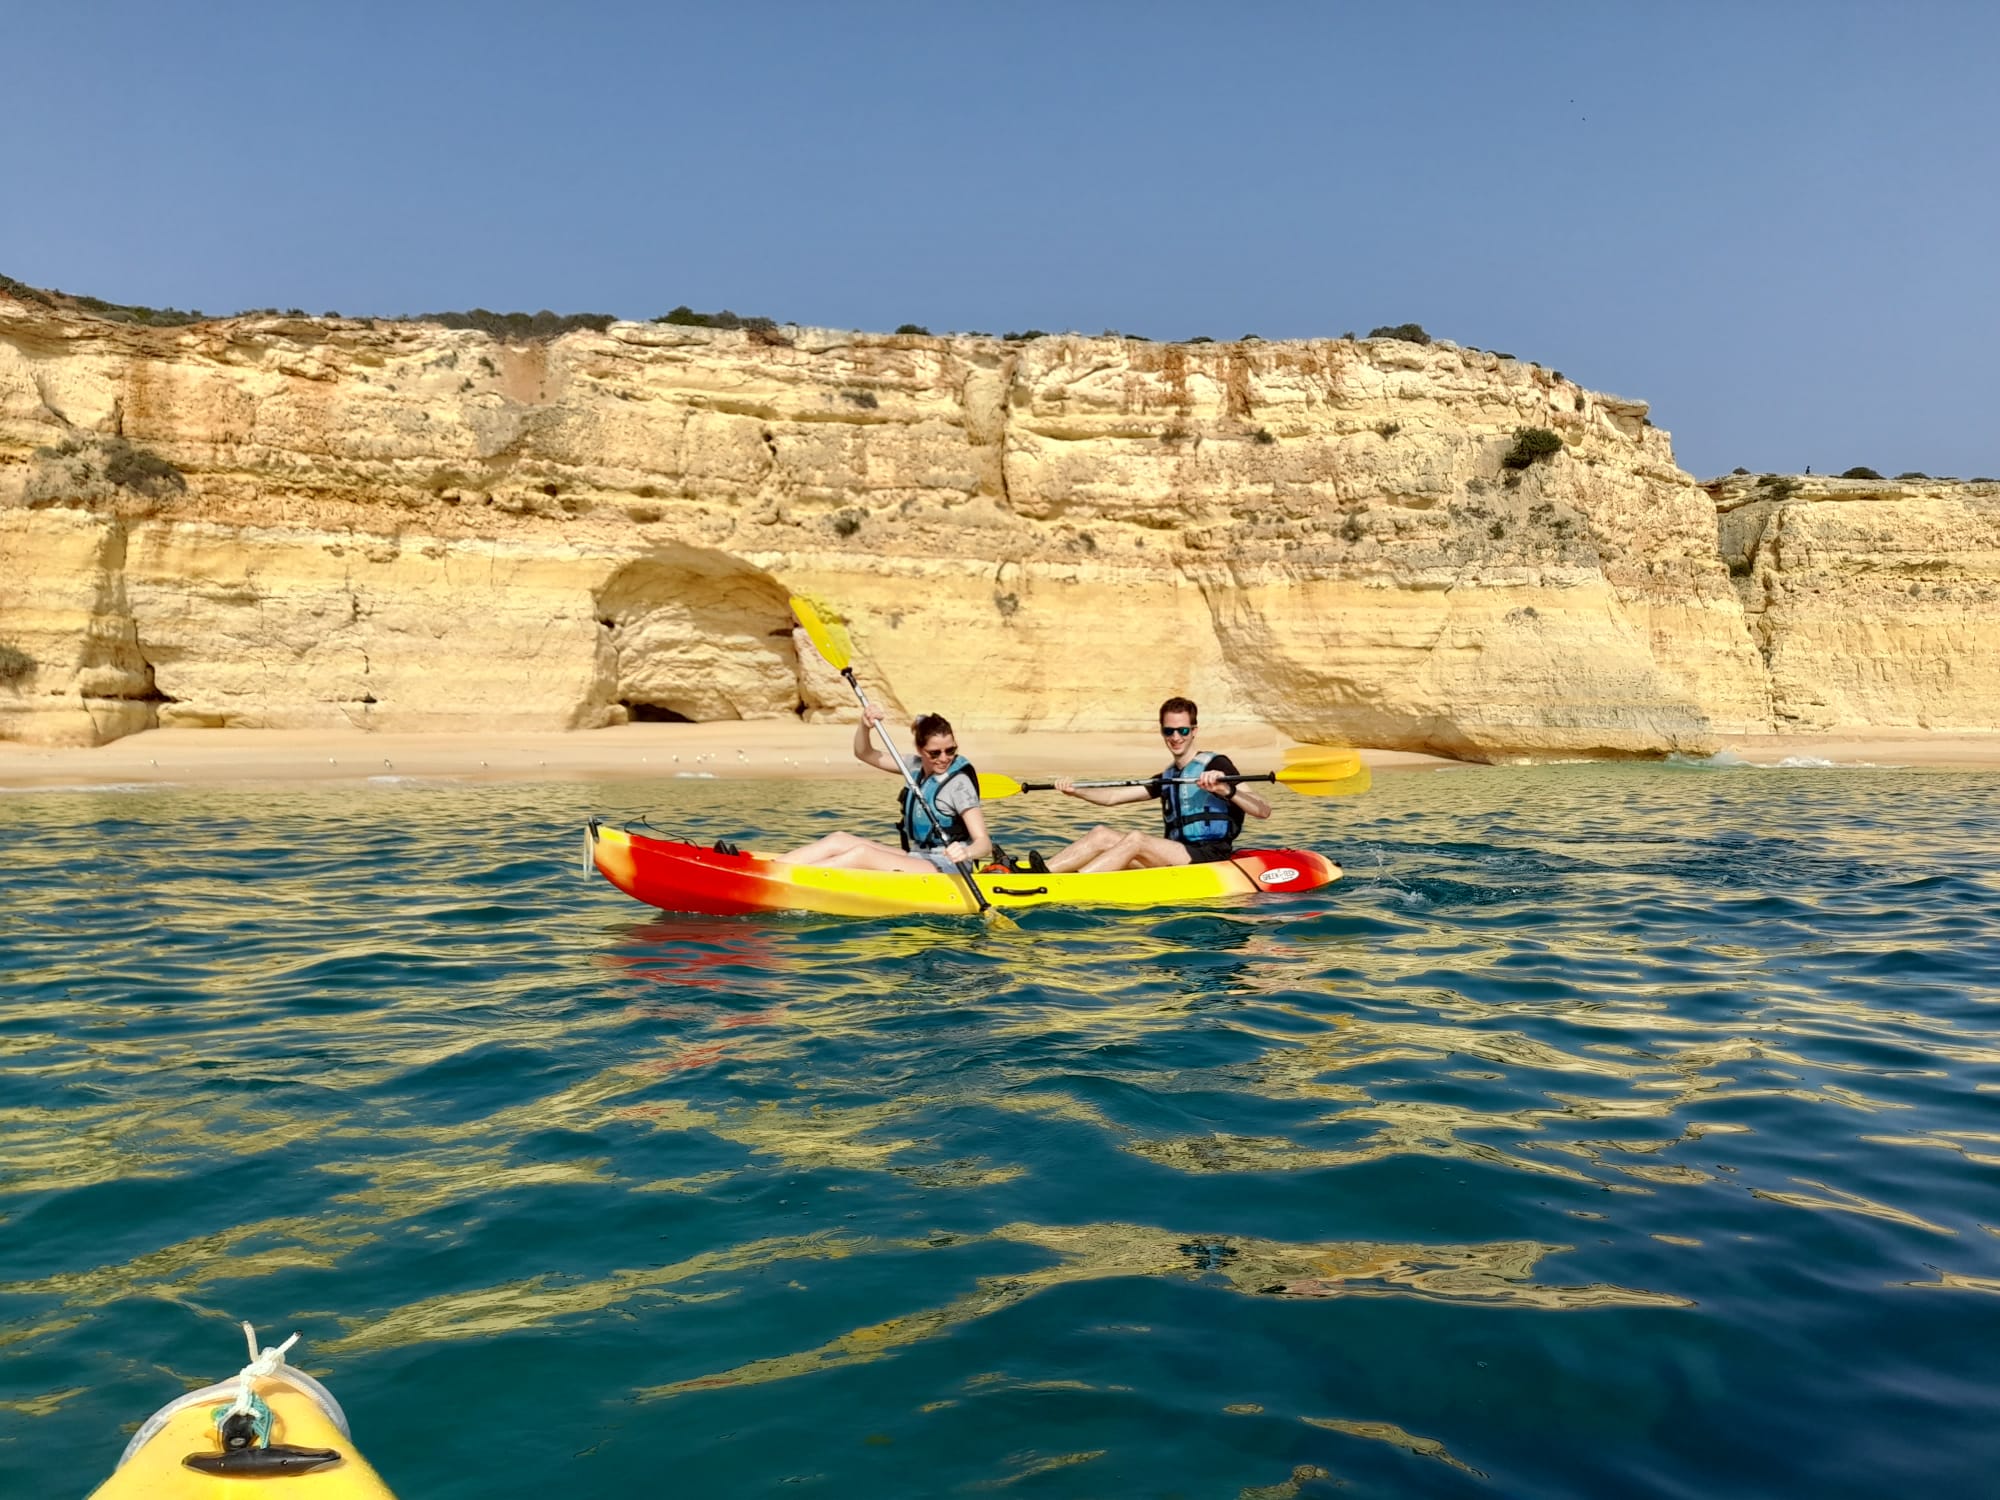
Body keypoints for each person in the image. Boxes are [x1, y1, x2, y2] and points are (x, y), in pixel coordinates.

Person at [1043, 697, 1271, 873]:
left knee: (1136, 840)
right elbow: (1113, 797)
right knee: (1101, 834)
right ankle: (1041, 874)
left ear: (1194, 731)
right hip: (1175, 854)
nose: (1175, 737)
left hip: (1208, 855)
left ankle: (1072, 885)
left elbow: (1263, 810)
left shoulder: (1217, 764)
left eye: (1182, 730)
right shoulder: (1168, 776)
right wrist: (1077, 791)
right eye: (1168, 731)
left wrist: (1226, 790)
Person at [777, 707, 993, 873]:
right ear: (920, 749)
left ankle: (789, 879)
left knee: (862, 855)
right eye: (934, 753)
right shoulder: (913, 767)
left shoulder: (958, 784)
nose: (944, 758)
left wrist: (966, 851)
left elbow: (984, 844)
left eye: (951, 750)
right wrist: (864, 726)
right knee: (839, 839)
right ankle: (773, 868)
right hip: (919, 856)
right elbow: (864, 753)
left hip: (949, 866)